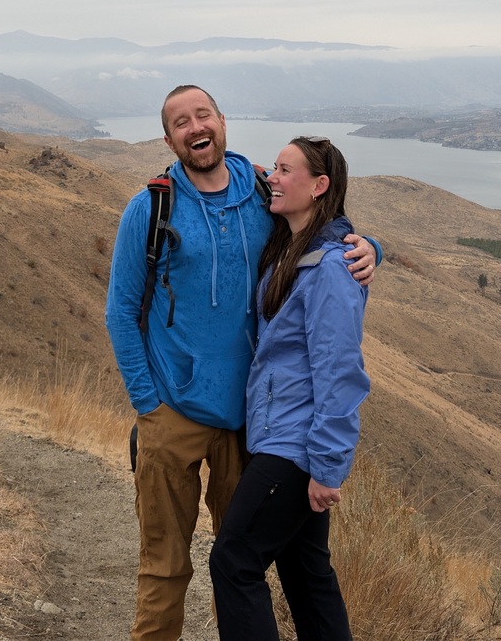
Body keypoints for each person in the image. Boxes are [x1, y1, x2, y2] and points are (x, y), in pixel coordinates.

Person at [105, 86, 378, 641]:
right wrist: (147, 404)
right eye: (180, 122)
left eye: (202, 114)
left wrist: (367, 245)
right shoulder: (149, 208)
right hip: (172, 416)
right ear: (168, 138)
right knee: (165, 565)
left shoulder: (260, 194)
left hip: (248, 426)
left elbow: (320, 236)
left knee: (244, 560)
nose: (194, 127)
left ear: (222, 122)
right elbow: (120, 312)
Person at [209, 136, 369, 641]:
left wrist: (326, 466)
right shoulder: (296, 248)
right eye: (273, 168)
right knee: (306, 574)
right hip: (281, 437)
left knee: (234, 561)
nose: (274, 178)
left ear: (319, 186)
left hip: (295, 448)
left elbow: (340, 373)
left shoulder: (330, 268)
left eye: (286, 170)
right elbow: (236, 171)